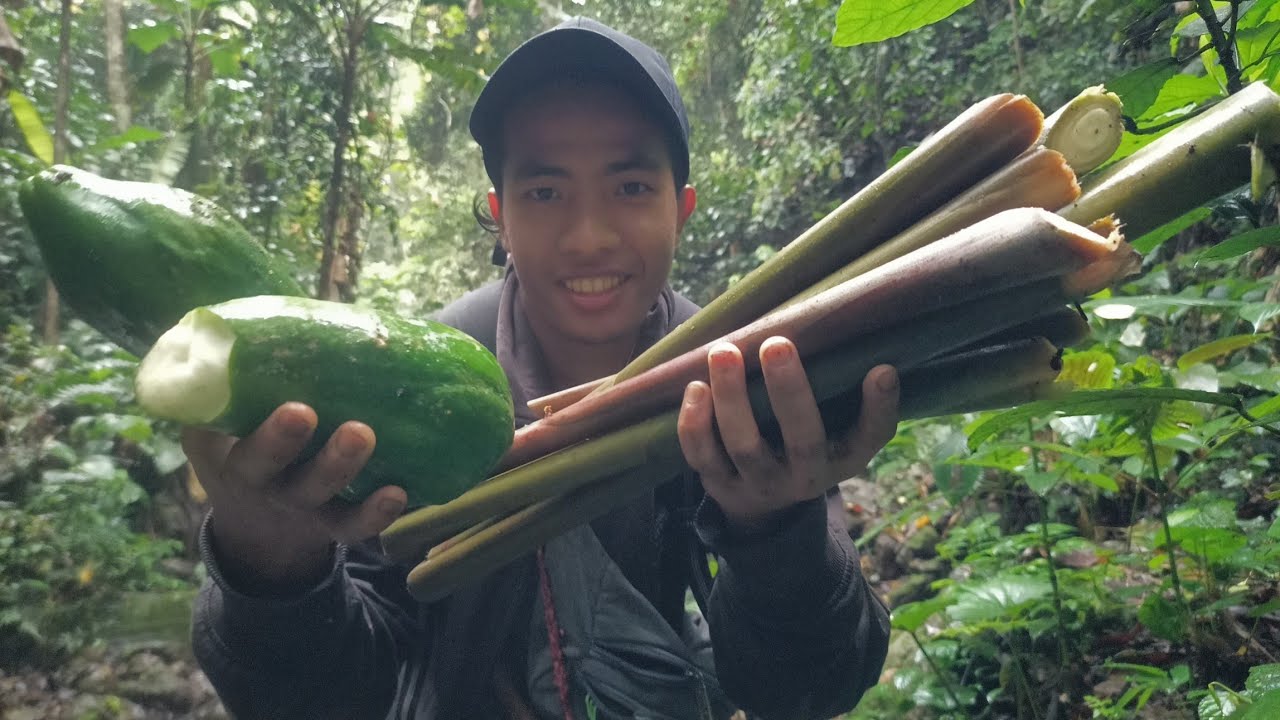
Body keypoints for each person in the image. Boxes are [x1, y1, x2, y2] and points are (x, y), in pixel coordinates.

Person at [183, 16, 900, 720]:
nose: (588, 238)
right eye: (545, 193)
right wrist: (271, 569)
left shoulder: (739, 379)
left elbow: (811, 689)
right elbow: (334, 698)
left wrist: (778, 535)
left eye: (629, 188)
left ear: (681, 210)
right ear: (500, 216)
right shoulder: (414, 386)